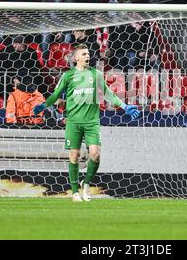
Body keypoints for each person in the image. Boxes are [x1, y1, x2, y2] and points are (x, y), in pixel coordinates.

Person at [33, 44, 141, 202]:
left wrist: (124, 106)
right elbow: (56, 95)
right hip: (73, 122)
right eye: (84, 54)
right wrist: (44, 105)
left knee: (95, 155)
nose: (87, 56)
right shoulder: (68, 75)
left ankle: (86, 184)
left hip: (91, 122)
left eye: (88, 54)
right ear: (76, 57)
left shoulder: (96, 74)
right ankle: (75, 192)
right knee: (74, 155)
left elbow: (107, 93)